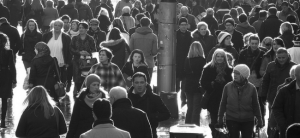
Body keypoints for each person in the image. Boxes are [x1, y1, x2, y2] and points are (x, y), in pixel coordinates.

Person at [217, 64, 263, 138]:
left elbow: (256, 105)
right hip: (231, 119)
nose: (234, 75)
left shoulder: (252, 88)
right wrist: (220, 118)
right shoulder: (227, 87)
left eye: (237, 73)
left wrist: (259, 119)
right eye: (234, 73)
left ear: (244, 75)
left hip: (248, 120)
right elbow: (223, 103)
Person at [261, 48, 296, 137]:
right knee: (272, 118)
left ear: (288, 56)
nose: (281, 59)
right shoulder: (271, 65)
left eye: (283, 57)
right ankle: (271, 135)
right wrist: (263, 94)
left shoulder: (293, 67)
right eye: (279, 57)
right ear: (276, 56)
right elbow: (266, 80)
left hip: (289, 98)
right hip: (273, 96)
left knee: (286, 117)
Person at [200, 48, 233, 138]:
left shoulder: (229, 69)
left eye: (222, 56)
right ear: (214, 57)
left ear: (224, 58)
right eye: (218, 56)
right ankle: (215, 135)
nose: (219, 58)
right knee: (214, 119)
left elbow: (232, 83)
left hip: (225, 97)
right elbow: (203, 83)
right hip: (213, 97)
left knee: (225, 120)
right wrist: (212, 84)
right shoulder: (208, 68)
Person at [128, 72, 170, 138]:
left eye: (142, 82)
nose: (139, 85)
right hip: (132, 133)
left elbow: (166, 114)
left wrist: (150, 117)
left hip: (150, 132)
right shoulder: (127, 98)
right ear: (132, 84)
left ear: (146, 83)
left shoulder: (154, 98)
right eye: (137, 83)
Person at [272, 64, 300, 138]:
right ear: (295, 76)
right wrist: (283, 124)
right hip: (289, 131)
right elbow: (276, 108)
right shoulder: (285, 91)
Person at [70, 21, 97, 97]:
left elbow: (94, 50)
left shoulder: (90, 39)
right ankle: (78, 92)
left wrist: (88, 53)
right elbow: (71, 49)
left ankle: (87, 93)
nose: (81, 29)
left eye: (82, 28)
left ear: (86, 29)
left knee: (86, 77)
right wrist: (79, 52)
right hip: (77, 61)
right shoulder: (75, 38)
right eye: (80, 28)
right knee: (77, 78)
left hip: (87, 62)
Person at [42, 19, 72, 85]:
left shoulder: (66, 37)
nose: (57, 27)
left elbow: (69, 51)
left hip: (61, 64)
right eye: (55, 25)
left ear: (62, 27)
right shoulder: (46, 36)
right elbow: (41, 48)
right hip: (47, 64)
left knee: (59, 84)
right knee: (48, 83)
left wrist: (67, 63)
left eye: (59, 25)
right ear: (53, 26)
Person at [184, 41, 206, 125]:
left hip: (188, 85)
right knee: (196, 108)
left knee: (190, 107)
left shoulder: (187, 60)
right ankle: (195, 128)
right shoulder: (202, 60)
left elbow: (185, 72)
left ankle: (187, 126)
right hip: (198, 86)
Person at [130, 17, 158, 83]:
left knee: (136, 83)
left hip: (136, 63)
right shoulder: (153, 36)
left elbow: (131, 50)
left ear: (140, 24)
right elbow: (154, 52)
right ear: (149, 24)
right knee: (147, 83)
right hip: (149, 63)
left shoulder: (133, 36)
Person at [0, 32, 16, 128]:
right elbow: (12, 66)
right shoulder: (9, 52)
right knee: (4, 99)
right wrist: (14, 79)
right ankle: (3, 120)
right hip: (6, 75)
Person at [176, 17, 192, 106]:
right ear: (179, 25)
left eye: (185, 24)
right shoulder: (175, 34)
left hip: (186, 61)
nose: (184, 26)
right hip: (177, 61)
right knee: (176, 83)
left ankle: (183, 99)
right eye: (182, 25)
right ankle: (175, 98)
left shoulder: (190, 35)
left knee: (185, 83)